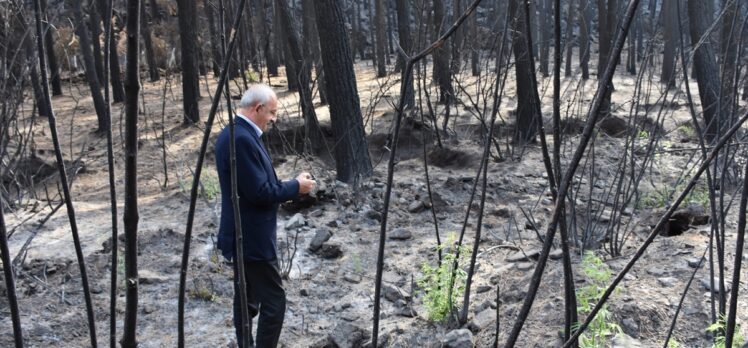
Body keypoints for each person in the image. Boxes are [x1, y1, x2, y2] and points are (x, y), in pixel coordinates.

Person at [215, 83, 315, 347]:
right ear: (257, 108)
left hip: (245, 235)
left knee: (246, 300)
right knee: (274, 302)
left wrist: (292, 183)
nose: (274, 119)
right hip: (250, 239)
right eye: (272, 112)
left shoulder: (238, 134)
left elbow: (254, 184)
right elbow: (259, 192)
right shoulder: (241, 138)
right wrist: (296, 188)